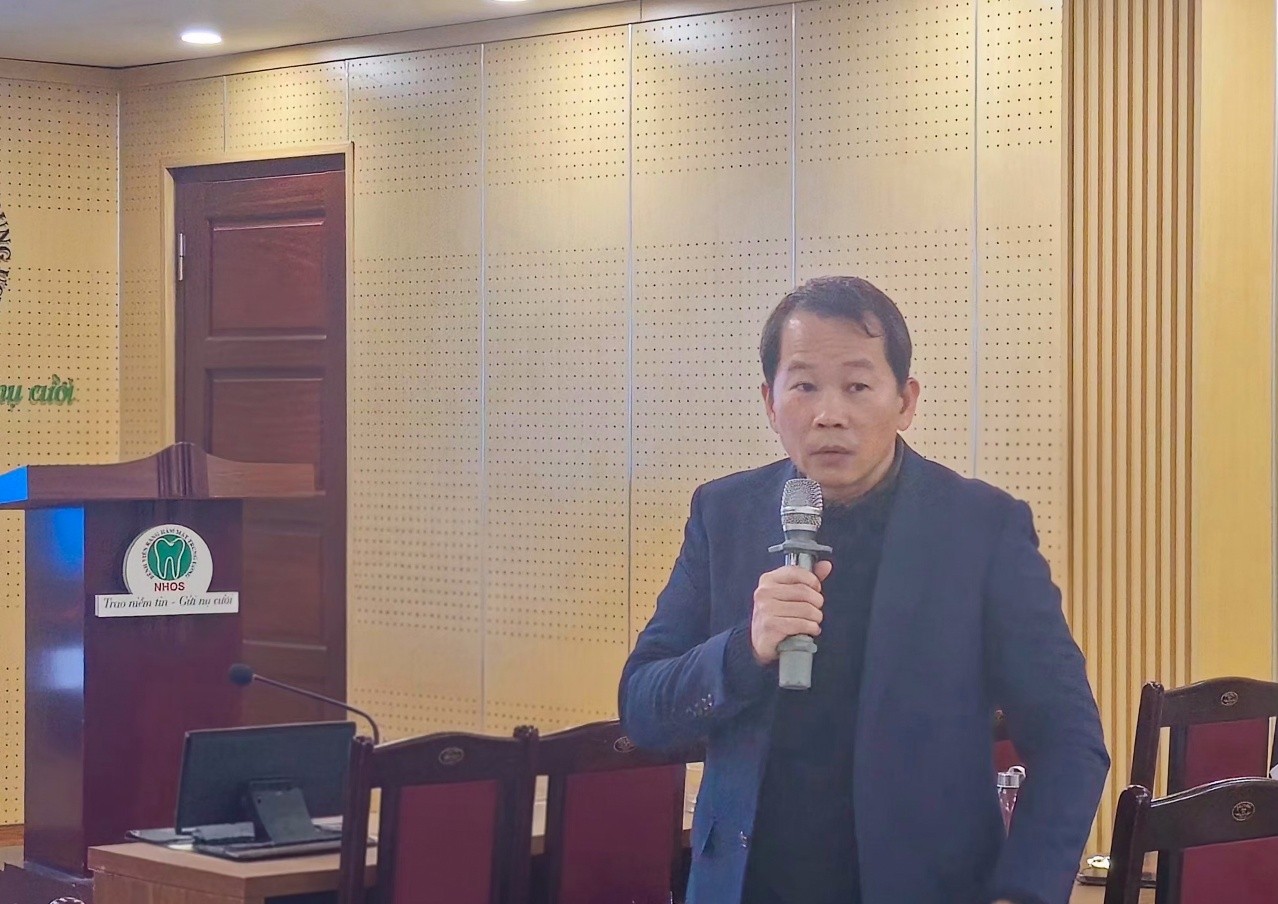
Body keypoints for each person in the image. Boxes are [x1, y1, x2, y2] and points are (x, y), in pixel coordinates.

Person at [618, 276, 1109, 904]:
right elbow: (643, 707)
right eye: (803, 386)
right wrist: (744, 649)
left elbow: (1070, 738)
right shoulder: (724, 514)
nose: (830, 414)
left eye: (856, 386)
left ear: (905, 401)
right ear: (769, 401)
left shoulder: (980, 529)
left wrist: (1025, 892)